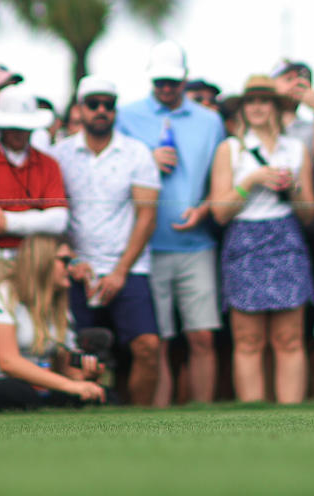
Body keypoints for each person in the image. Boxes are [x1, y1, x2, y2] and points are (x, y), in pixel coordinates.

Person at [114, 40, 224, 405]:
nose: (165, 88)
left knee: (202, 336)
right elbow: (114, 174)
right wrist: (146, 159)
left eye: (172, 82)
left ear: (185, 79)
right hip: (145, 247)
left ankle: (204, 417)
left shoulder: (210, 121)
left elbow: (219, 179)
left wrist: (205, 209)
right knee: (158, 340)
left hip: (197, 244)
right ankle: (158, 419)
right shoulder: (127, 116)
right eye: (159, 81)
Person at [51, 75, 161, 405]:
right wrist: (71, 262)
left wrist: (120, 271)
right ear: (79, 109)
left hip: (128, 267)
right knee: (73, 354)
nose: (101, 110)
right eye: (93, 104)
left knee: (147, 347)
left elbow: (147, 215)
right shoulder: (59, 155)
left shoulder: (136, 152)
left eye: (108, 105)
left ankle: (140, 421)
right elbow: (54, 217)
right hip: (76, 270)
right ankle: (77, 414)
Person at [209, 75, 314, 403]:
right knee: (248, 340)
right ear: (242, 108)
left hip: (285, 236)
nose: (257, 107)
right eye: (251, 101)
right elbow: (220, 212)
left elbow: (309, 213)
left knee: (290, 339)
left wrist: (294, 187)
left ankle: (290, 416)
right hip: (245, 238)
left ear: (275, 107)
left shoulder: (296, 149)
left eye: (264, 101)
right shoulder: (230, 149)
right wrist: (253, 180)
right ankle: (252, 416)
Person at [0, 234, 105, 411]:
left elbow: (63, 369)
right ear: (42, 262)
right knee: (15, 390)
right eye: (65, 261)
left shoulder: (58, 305)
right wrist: (70, 386)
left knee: (95, 395)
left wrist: (83, 378)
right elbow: (8, 362)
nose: (71, 269)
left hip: (33, 385)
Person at [0, 83, 68, 304]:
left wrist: (6, 222)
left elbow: (59, 221)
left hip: (37, 260)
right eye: (12, 126)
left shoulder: (48, 164)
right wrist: (37, 218)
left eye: (25, 127)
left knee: (37, 329)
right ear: (0, 126)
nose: (20, 133)